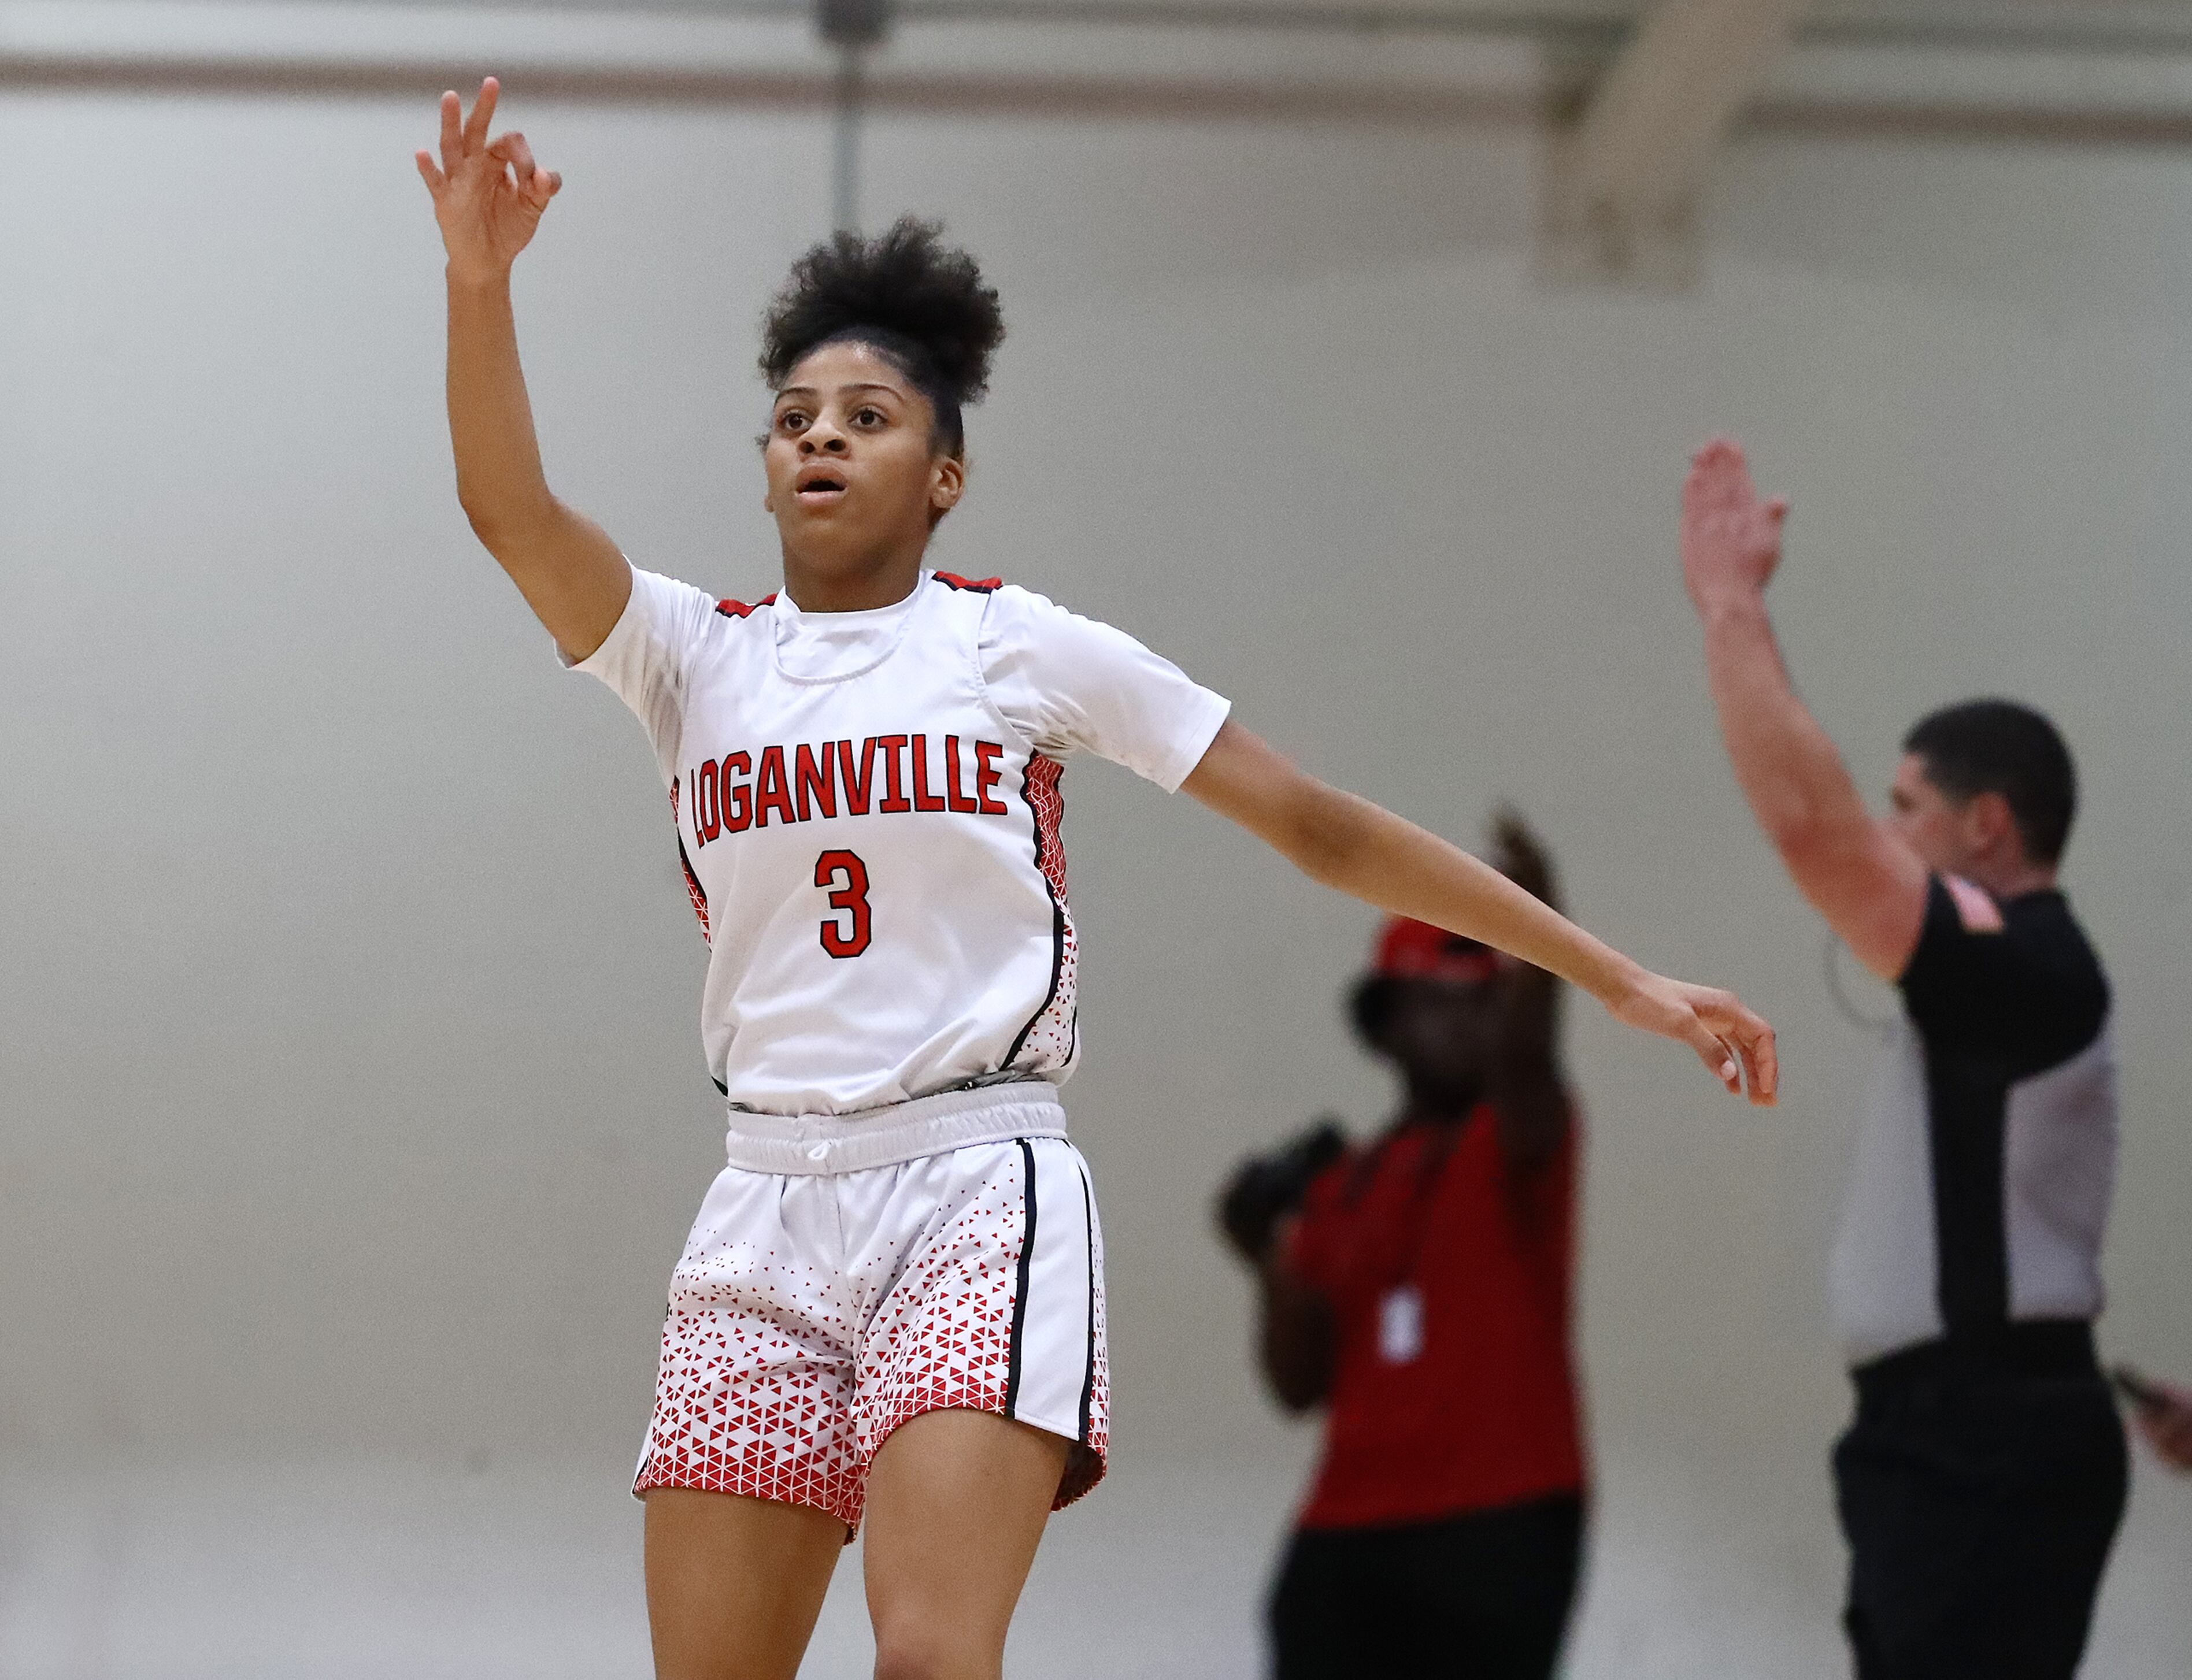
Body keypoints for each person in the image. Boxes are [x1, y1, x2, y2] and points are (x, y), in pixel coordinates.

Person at [413, 78, 1778, 1680]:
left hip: (972, 1177)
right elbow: (508, 509)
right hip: (762, 1197)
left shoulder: (1013, 644)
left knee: (928, 1656)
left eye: (869, 416)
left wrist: (1609, 970)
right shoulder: (691, 657)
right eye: (794, 419)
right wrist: (479, 283)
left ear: (946, 474)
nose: (823, 439)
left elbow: (1317, 820)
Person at [1679, 438, 2124, 1680]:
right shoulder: (2004, 975)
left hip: (1986, 1439)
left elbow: (1816, 834)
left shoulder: (2029, 963)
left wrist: (1730, 605)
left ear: (1988, 826)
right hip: (1943, 1434)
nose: (1885, 830)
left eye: (1908, 805)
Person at [1219, 812, 1587, 1680]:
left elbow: (1532, 1058)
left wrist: (1541, 925)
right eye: (1439, 1002)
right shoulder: (1344, 1183)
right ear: (1384, 1026)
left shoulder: (1517, 1140)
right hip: (1346, 1524)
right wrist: (1262, 1257)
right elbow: (1298, 1385)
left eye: (1487, 1004)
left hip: (1501, 1514)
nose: (1470, 1026)